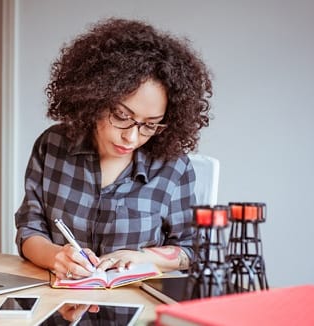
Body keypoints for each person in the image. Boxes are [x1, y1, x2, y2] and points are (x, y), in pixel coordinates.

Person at [15, 17, 212, 281]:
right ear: (95, 99)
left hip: (135, 308)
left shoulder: (172, 166)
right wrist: (56, 257)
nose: (131, 137)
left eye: (149, 125)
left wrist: (145, 257)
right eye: (121, 116)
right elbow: (29, 229)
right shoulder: (52, 146)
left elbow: (192, 249)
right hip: (60, 300)